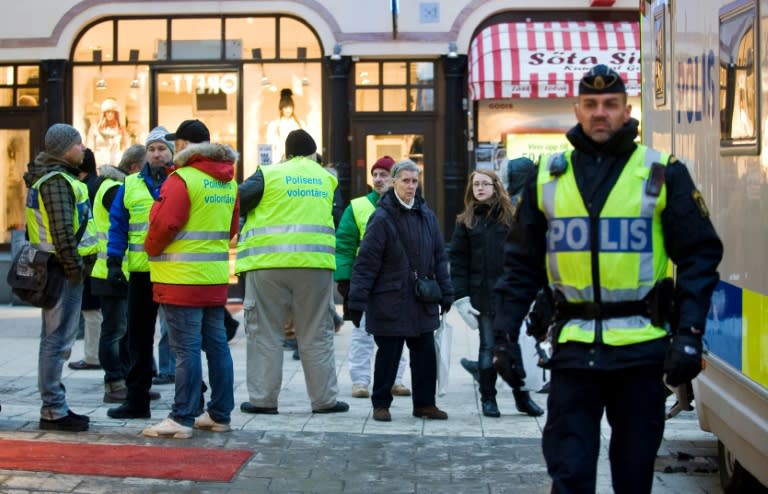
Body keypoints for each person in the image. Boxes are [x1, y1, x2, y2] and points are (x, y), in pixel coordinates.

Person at [492, 64, 723, 493]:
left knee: (633, 479)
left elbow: (699, 256)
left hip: (641, 354)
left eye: (611, 105)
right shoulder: (548, 177)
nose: (602, 114)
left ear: (626, 110)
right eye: (592, 104)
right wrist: (503, 336)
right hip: (573, 352)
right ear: (578, 110)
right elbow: (520, 265)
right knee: (569, 475)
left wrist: (689, 332)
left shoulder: (660, 173)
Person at [237, 129, 348, 414]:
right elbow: (337, 217)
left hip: (267, 265)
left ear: (285, 153)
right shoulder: (327, 178)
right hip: (315, 266)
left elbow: (237, 201)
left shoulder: (268, 174)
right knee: (316, 333)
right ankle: (325, 400)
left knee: (265, 333)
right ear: (313, 154)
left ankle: (263, 400)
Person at [141, 133, 239, 439]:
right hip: (213, 276)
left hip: (181, 276)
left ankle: (181, 417)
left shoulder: (182, 179)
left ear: (184, 150)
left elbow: (164, 224)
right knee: (218, 346)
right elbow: (233, 228)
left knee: (185, 351)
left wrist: (150, 248)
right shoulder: (229, 182)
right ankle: (219, 414)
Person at [347, 159, 454, 422]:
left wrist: (447, 292)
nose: (410, 186)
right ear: (394, 182)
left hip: (421, 298)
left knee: (425, 355)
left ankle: (425, 404)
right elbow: (367, 262)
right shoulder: (381, 217)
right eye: (405, 180)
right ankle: (381, 404)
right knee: (388, 356)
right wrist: (357, 301)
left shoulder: (427, 215)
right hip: (389, 299)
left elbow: (439, 256)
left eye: (414, 181)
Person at [450, 169, 543, 418]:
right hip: (481, 296)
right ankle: (488, 399)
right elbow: (458, 261)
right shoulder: (466, 221)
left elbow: (526, 255)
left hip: (509, 294)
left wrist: (531, 290)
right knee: (487, 347)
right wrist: (461, 298)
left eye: (484, 183)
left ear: (495, 186)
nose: (479, 188)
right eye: (475, 184)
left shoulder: (512, 217)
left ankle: (522, 398)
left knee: (513, 348)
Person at [23, 123, 98, 431]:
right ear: (66, 148)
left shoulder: (55, 178)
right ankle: (53, 409)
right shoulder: (56, 182)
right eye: (79, 144)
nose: (83, 150)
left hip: (57, 267)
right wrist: (76, 271)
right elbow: (63, 234)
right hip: (62, 270)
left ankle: (55, 404)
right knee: (58, 342)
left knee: (53, 340)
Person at [105, 126, 175, 419]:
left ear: (171, 152)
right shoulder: (130, 184)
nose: (157, 153)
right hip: (140, 272)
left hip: (174, 270)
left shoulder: (180, 181)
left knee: (180, 339)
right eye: (152, 148)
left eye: (162, 148)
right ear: (145, 153)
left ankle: (192, 397)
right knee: (138, 339)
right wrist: (113, 260)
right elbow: (118, 224)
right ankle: (137, 400)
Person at [334, 155, 411, 399]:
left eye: (383, 174)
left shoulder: (408, 205)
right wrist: (345, 279)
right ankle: (360, 382)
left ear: (395, 178)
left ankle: (396, 380)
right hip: (366, 281)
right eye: (375, 174)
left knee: (397, 334)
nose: (378, 179)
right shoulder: (356, 206)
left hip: (397, 282)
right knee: (362, 334)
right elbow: (344, 245)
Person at [89, 144, 145, 403]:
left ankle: (126, 381)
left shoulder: (116, 186)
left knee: (123, 331)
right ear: (134, 168)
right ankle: (114, 382)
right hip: (110, 272)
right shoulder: (114, 189)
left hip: (121, 270)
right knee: (114, 331)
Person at [68, 148, 103, 371]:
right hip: (101, 255)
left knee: (91, 310)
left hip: (91, 255)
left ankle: (93, 356)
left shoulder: (85, 188)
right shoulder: (98, 183)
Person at [266, 88, 305, 163]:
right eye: (285, 107)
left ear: (293, 108)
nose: (288, 110)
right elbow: (269, 146)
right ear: (281, 108)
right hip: (279, 158)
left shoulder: (299, 124)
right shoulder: (274, 125)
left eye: (290, 107)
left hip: (296, 158)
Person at [87, 97, 128, 167]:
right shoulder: (95, 128)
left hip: (116, 164)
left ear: (116, 114)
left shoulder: (121, 129)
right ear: (104, 113)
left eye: (113, 112)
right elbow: (90, 147)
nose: (110, 114)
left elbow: (126, 147)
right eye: (108, 112)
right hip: (98, 164)